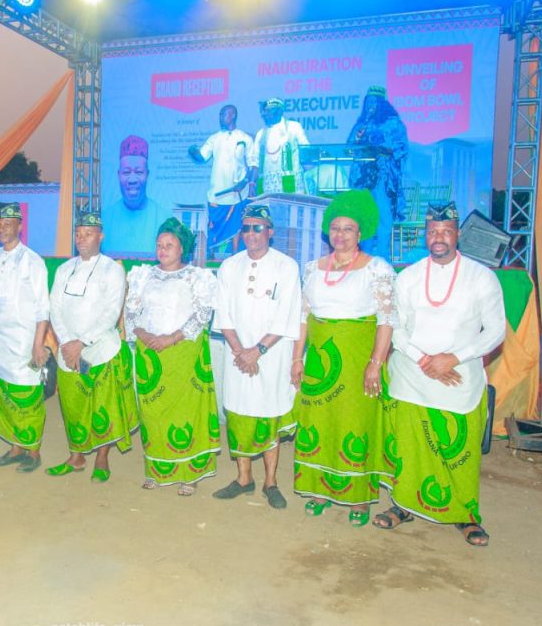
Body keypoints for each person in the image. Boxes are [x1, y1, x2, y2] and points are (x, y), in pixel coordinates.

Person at [374, 201, 505, 547]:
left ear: (458, 234)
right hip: (411, 376)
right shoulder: (409, 276)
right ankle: (403, 504)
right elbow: (396, 328)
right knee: (409, 447)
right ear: (425, 235)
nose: (438, 237)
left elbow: (495, 332)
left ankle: (465, 514)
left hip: (459, 378)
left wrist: (453, 358)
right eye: (432, 231)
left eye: (446, 231)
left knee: (459, 449)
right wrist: (426, 361)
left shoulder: (481, 277)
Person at [291, 190, 396, 526]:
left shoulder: (377, 268)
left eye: (348, 229)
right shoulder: (312, 268)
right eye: (335, 228)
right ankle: (319, 489)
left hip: (357, 361)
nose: (340, 234)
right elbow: (303, 317)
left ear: (360, 233)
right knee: (320, 422)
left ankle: (359, 497)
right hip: (320, 362)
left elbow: (386, 320)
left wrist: (375, 363)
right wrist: (297, 359)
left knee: (355, 423)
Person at [212, 205, 302, 508]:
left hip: (271, 357)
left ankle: (270, 481)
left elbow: (287, 315)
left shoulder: (287, 267)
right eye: (246, 228)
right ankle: (243, 478)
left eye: (258, 227)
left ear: (270, 231)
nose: (251, 234)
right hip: (238, 358)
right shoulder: (229, 266)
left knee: (268, 413)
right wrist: (241, 352)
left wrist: (258, 351)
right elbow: (223, 314)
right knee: (239, 412)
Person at [125, 217, 219, 496]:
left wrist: (171, 338)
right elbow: (131, 312)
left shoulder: (196, 277)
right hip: (151, 355)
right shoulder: (143, 276)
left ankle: (189, 474)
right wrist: (142, 334)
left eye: (169, 245)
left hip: (183, 357)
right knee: (152, 414)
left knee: (185, 413)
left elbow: (201, 316)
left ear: (182, 248)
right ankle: (157, 470)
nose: (163, 250)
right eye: (159, 244)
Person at [47, 211, 138, 482]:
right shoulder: (64, 269)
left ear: (101, 236)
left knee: (102, 408)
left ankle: (101, 458)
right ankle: (76, 456)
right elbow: (55, 308)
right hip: (68, 352)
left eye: (88, 234)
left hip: (101, 350)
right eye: (78, 234)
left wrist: (82, 342)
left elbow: (111, 312)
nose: (81, 238)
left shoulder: (112, 269)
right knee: (73, 406)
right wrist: (67, 342)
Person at [0, 202, 51, 473]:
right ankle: (16, 448)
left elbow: (43, 308)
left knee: (27, 396)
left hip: (25, 342)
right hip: (0, 342)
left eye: (7, 224)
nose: (2, 228)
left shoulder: (33, 261)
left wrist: (38, 344)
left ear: (19, 226)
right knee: (5, 392)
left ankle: (34, 451)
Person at [347, 86, 409, 260]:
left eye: (374, 102)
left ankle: (382, 258)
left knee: (382, 216)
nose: (370, 106)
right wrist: (356, 139)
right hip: (363, 176)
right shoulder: (361, 124)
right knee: (365, 217)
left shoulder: (393, 123)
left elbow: (401, 148)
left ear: (382, 104)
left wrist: (383, 149)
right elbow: (349, 147)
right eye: (368, 102)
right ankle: (364, 257)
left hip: (382, 175)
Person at [189, 105, 254, 257]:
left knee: (235, 226)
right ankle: (210, 257)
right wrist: (193, 152)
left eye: (223, 114)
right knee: (213, 227)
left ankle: (235, 256)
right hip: (217, 194)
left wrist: (245, 182)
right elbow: (202, 157)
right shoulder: (214, 138)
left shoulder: (244, 138)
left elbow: (253, 165)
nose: (220, 117)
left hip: (237, 193)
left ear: (233, 115)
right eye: (219, 115)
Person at [102, 135, 172, 256]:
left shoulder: (165, 219)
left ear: (147, 174)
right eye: (126, 172)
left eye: (139, 172)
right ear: (118, 175)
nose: (132, 179)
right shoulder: (104, 220)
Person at [248, 98, 309, 195]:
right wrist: (252, 183)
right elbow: (255, 162)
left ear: (279, 111)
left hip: (290, 183)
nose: (264, 114)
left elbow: (306, 153)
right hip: (267, 186)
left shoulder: (294, 127)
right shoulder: (261, 134)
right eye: (263, 111)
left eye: (268, 111)